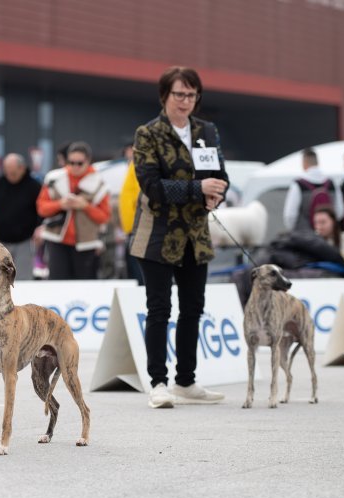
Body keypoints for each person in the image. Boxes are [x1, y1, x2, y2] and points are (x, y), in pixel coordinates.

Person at [130, 66, 228, 409]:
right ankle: (158, 382)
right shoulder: (148, 134)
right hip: (156, 235)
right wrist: (197, 188)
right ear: (164, 96)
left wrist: (218, 192)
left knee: (193, 309)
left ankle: (186, 380)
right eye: (179, 94)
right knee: (159, 309)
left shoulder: (207, 131)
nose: (186, 101)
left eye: (191, 94)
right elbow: (152, 187)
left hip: (196, 237)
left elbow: (220, 175)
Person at [36, 141, 110, 280]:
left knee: (85, 286)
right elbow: (41, 208)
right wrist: (60, 204)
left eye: (79, 163)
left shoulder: (98, 183)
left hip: (87, 244)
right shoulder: (54, 179)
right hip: (57, 241)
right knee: (57, 284)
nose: (75, 166)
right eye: (71, 162)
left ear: (88, 161)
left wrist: (85, 207)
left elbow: (105, 217)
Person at [0, 153, 42, 280]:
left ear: (22, 168)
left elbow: (41, 212)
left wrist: (39, 229)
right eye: (7, 172)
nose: (10, 176)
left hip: (25, 241)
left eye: (13, 173)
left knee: (23, 279)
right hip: (0, 240)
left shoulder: (34, 186)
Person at [282, 148, 344, 232]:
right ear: (317, 162)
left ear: (304, 163)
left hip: (305, 235)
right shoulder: (332, 183)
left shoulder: (298, 184)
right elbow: (340, 211)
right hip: (328, 234)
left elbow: (290, 215)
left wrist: (295, 230)